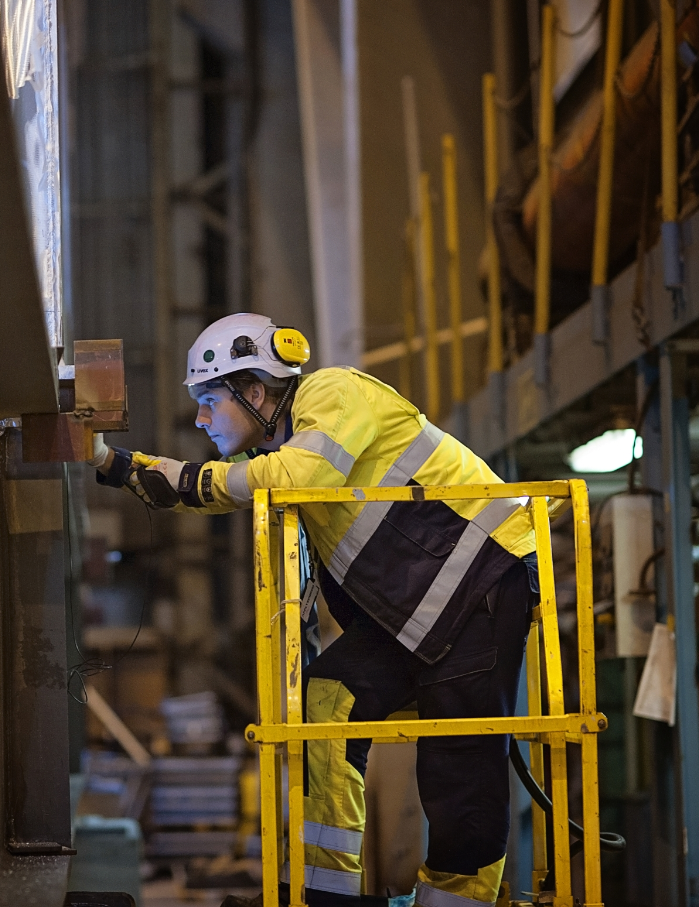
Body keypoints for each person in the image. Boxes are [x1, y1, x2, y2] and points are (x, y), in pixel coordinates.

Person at [88, 313, 537, 907]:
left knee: (460, 758)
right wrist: (108, 461)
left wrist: (188, 477)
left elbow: (291, 476)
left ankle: (459, 903)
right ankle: (326, 893)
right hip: (414, 609)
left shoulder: (333, 392)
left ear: (255, 393)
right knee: (326, 704)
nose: (199, 419)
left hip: (483, 579)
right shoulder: (287, 447)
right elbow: (224, 485)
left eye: (209, 400)